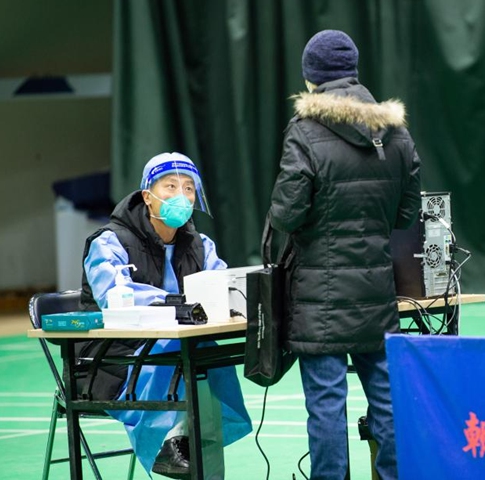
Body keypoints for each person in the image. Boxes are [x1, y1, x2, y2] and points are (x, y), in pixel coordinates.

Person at [268, 30, 421, 479]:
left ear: (310, 76)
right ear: (353, 70)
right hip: (377, 292)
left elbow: (286, 214)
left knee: (327, 407)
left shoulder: (305, 131)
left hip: (320, 298)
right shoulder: (395, 132)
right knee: (389, 402)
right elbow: (407, 213)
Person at [80, 152, 252, 479]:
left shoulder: (200, 244)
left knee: (210, 356)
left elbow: (224, 287)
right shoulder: (109, 242)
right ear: (148, 196)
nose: (181, 196)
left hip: (181, 351)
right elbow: (115, 297)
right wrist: (181, 305)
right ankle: (173, 442)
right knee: (178, 353)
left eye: (189, 188)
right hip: (115, 359)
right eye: (170, 186)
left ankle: (183, 445)